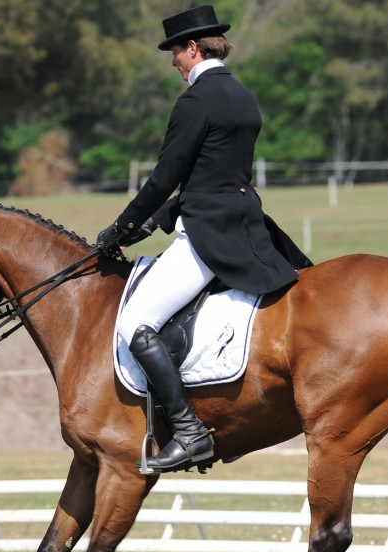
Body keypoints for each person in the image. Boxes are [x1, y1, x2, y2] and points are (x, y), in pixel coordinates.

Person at [97, 5, 304, 474]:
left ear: (192, 48)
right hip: (246, 225)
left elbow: (165, 176)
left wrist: (122, 229)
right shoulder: (242, 95)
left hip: (210, 238)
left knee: (136, 324)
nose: (173, 63)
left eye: (175, 52)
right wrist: (161, 220)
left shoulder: (196, 100)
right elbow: (216, 175)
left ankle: (189, 433)